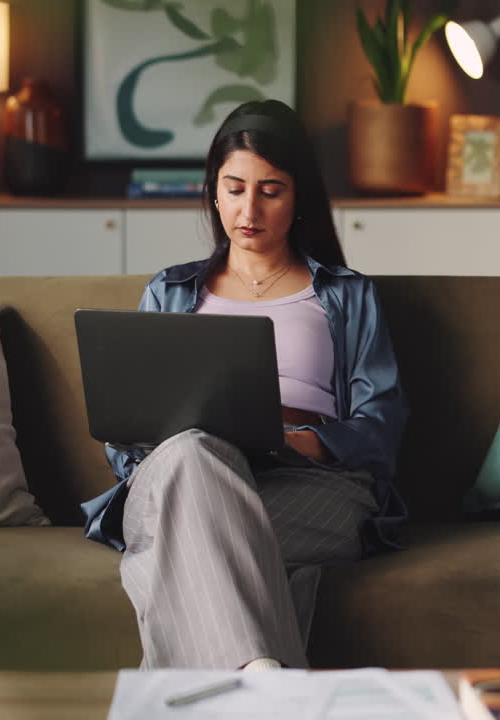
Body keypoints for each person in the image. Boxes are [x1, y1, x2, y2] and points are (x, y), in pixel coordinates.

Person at [80, 99, 408, 671]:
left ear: (298, 196)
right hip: (178, 480)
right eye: (234, 188)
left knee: (185, 541)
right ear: (213, 192)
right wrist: (185, 448)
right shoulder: (170, 292)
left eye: (271, 190)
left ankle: (253, 684)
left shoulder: (348, 294)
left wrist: (306, 440)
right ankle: (268, 685)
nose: (248, 208)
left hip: (312, 487)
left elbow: (381, 424)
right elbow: (124, 437)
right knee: (193, 455)